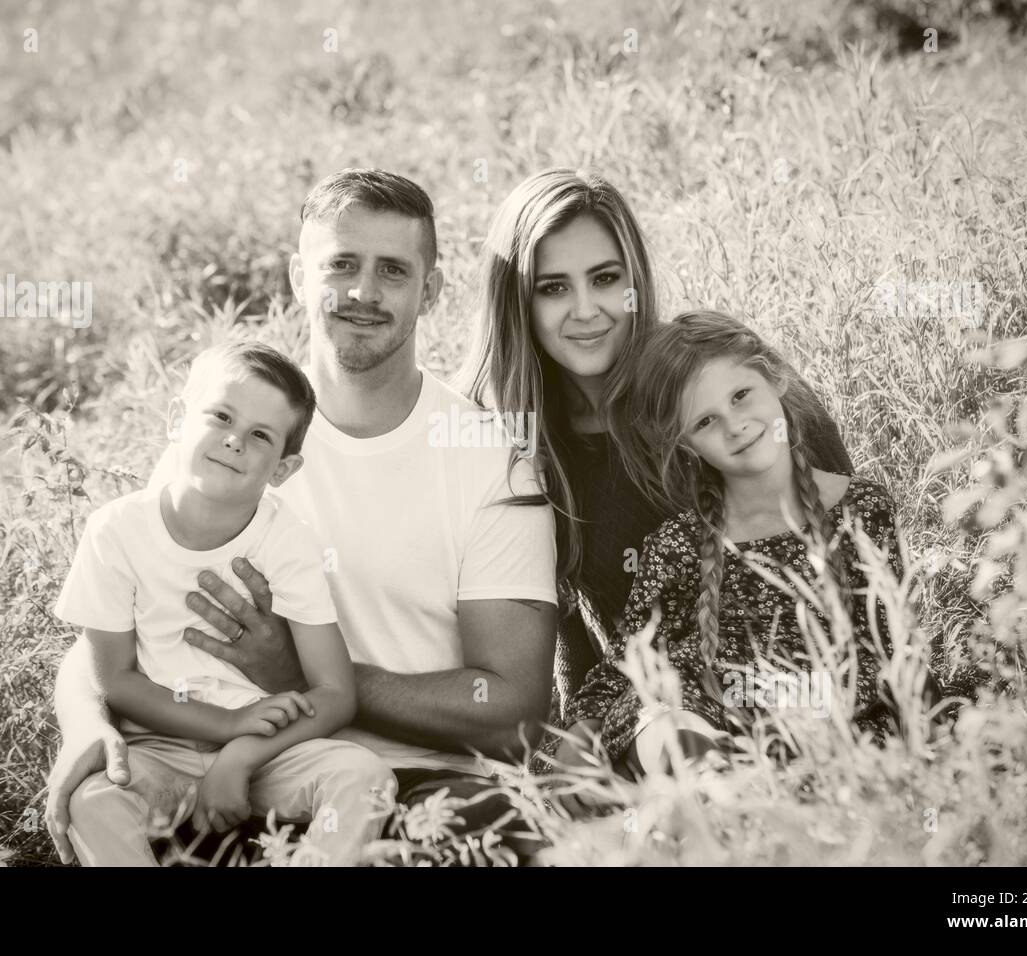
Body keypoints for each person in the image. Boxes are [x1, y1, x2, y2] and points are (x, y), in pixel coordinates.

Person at [46, 169, 558, 865]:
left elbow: (512, 716)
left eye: (393, 271)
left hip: (418, 781)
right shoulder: (238, 432)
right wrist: (82, 723)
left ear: (430, 292)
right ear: (298, 276)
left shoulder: (487, 460)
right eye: (341, 264)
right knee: (106, 804)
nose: (363, 292)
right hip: (222, 768)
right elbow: (117, 624)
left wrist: (306, 675)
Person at [458, 168, 854, 776]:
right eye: (554, 288)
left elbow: (846, 533)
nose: (587, 311)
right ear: (519, 301)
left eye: (606, 278)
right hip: (637, 724)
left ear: (635, 280)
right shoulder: (503, 439)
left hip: (796, 692)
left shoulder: (719, 386)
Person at [54, 341, 395, 865]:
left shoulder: (287, 541)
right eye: (220, 416)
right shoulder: (116, 531)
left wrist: (240, 752)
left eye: (261, 435)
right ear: (177, 419)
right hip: (160, 749)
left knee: (365, 777)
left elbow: (335, 693)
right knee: (94, 799)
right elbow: (116, 680)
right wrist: (224, 725)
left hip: (267, 753)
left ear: (282, 469)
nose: (234, 440)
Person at [560, 312, 903, 774]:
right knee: (672, 727)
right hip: (696, 722)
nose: (735, 425)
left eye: (741, 396)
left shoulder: (863, 511)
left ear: (776, 378)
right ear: (684, 444)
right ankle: (710, 795)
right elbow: (623, 666)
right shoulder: (678, 545)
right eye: (705, 421)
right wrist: (568, 752)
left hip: (826, 725)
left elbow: (894, 653)